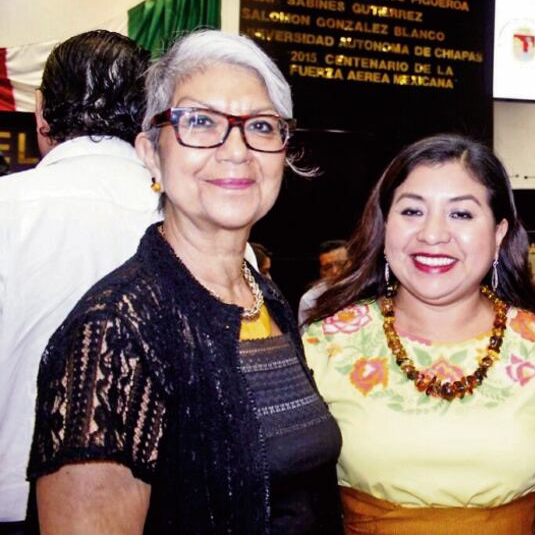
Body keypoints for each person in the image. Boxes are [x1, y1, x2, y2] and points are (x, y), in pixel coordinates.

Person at [27, 30, 341, 533]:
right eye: (200, 122)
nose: (236, 150)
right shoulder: (114, 332)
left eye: (260, 125)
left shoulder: (263, 297)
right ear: (150, 152)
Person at [302, 134, 535, 534]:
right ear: (384, 226)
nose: (433, 234)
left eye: (461, 214)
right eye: (412, 212)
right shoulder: (326, 345)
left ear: (498, 234)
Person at [0, 30, 158, 531]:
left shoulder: (5, 209)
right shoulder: (200, 222)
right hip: (160, 510)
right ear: (151, 119)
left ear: (41, 112)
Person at [298, 239, 349, 324]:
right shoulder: (310, 299)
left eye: (341, 264)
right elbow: (307, 335)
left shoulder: (368, 287)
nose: (335, 271)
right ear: (321, 271)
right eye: (327, 267)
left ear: (353, 263)